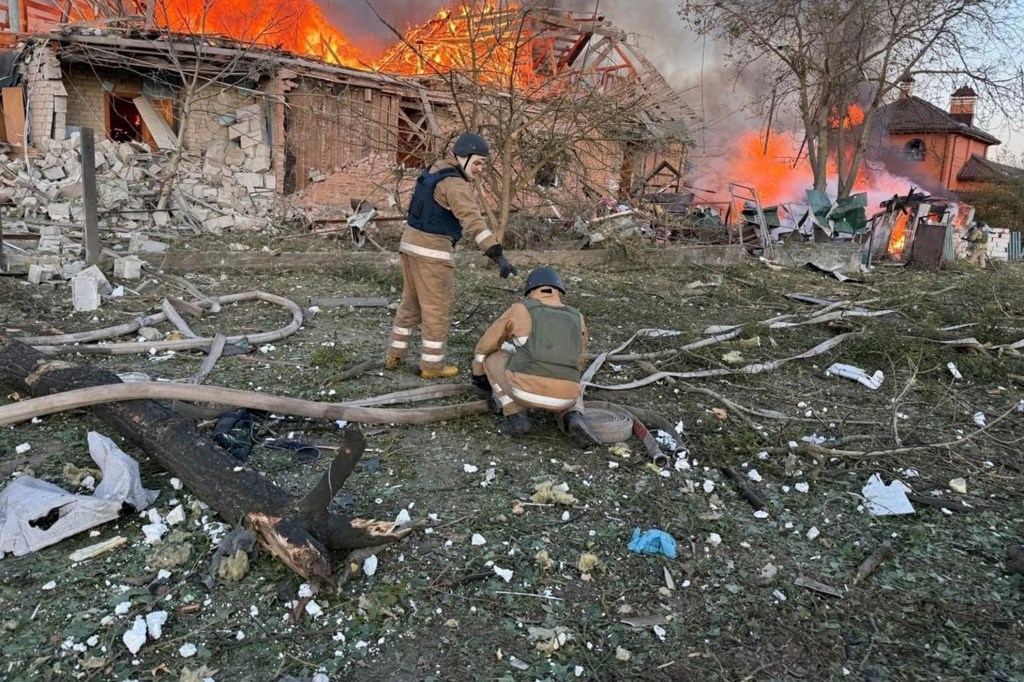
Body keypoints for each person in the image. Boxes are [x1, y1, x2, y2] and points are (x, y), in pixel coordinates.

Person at [385, 133, 517, 379]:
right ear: (463, 157)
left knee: (410, 304)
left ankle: (395, 355)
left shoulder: (434, 170)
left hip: (409, 246)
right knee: (437, 311)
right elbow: (473, 222)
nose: (479, 169)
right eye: (477, 163)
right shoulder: (455, 184)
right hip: (432, 254)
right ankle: (432, 367)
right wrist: (497, 255)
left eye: (483, 165)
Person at [470, 266, 593, 439]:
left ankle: (515, 415)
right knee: (570, 372)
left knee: (492, 357)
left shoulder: (521, 309)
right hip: (566, 397)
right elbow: (580, 355)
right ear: (558, 290)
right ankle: (573, 414)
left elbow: (485, 345)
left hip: (524, 392)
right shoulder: (576, 316)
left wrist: (479, 375)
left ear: (531, 290)